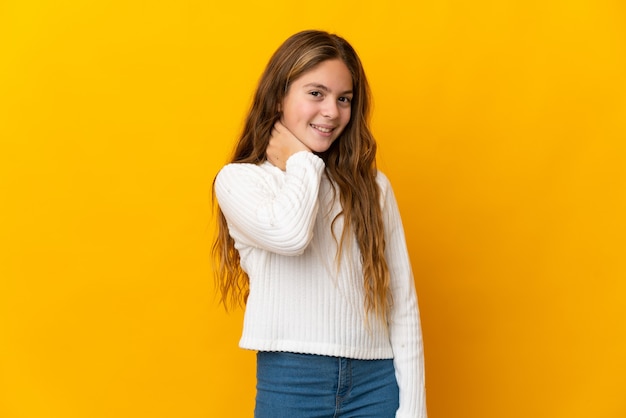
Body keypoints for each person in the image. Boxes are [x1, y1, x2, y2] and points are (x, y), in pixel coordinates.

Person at [212, 30, 427, 418]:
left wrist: (414, 409)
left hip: (376, 382)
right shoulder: (241, 181)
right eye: (316, 93)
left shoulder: (373, 188)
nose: (332, 111)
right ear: (279, 95)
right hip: (292, 382)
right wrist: (303, 160)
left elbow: (402, 304)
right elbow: (290, 234)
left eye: (344, 99)